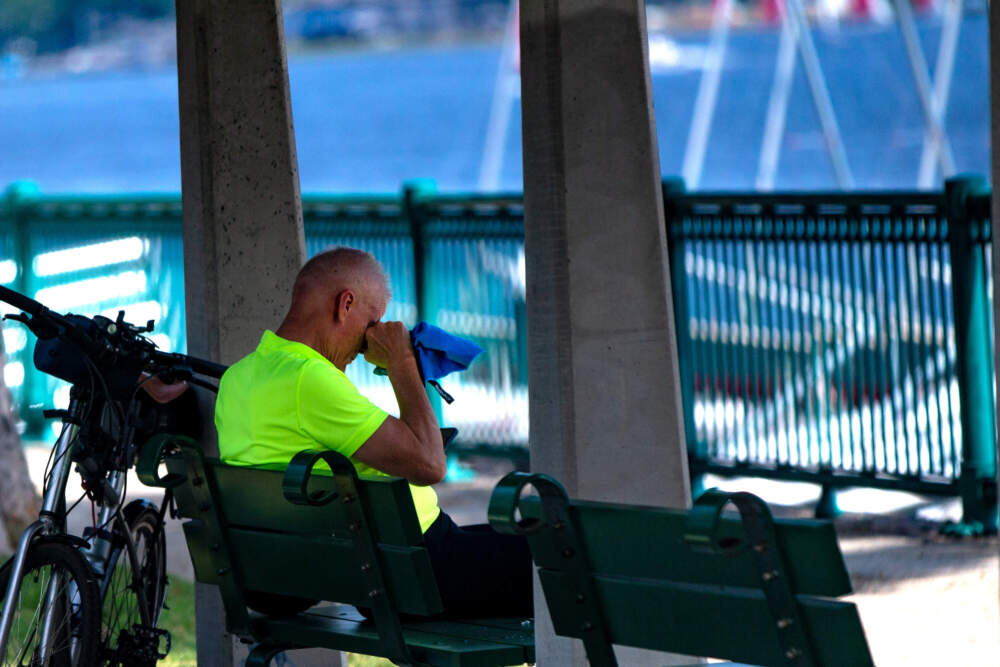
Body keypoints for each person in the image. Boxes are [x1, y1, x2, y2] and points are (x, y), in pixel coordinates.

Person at [213, 246, 532, 619]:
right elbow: (431, 464)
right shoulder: (308, 379)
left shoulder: (237, 377)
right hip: (412, 573)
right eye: (372, 323)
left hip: (351, 567)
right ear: (345, 304)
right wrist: (402, 362)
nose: (372, 339)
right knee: (564, 550)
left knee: (523, 537)